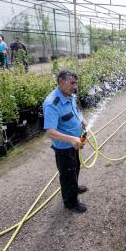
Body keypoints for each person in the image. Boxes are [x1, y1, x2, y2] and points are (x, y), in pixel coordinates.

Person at [43, 70, 89, 213]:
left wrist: (82, 121)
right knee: (67, 173)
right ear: (61, 82)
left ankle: (74, 187)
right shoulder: (52, 103)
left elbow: (75, 110)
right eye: (72, 83)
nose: (75, 86)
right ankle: (70, 203)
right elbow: (49, 131)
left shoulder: (70, 95)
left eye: (76, 83)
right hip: (64, 148)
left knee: (75, 167)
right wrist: (72, 139)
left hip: (75, 144)